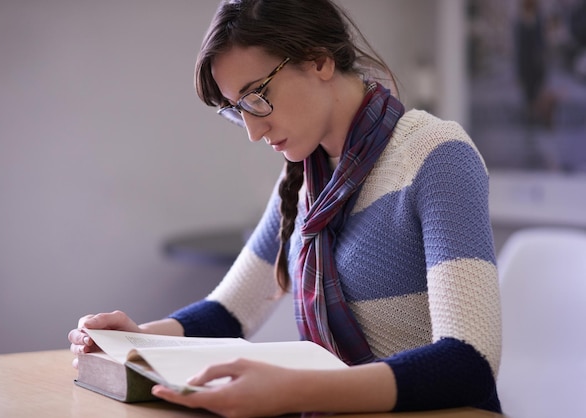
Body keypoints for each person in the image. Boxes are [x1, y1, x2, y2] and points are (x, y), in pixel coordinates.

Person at [68, 0, 502, 416]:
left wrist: (290, 389)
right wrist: (136, 339)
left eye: (257, 96)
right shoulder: (305, 175)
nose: (254, 132)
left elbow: (470, 362)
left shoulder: (437, 155)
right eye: (238, 110)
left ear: (319, 61)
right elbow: (230, 310)